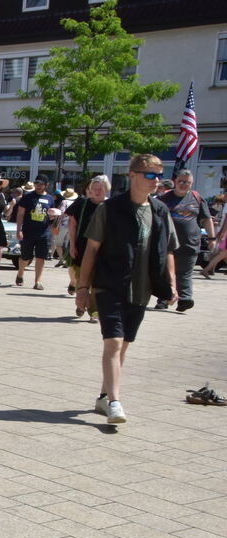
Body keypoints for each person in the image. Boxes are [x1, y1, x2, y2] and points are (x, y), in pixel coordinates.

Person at [75, 154, 178, 425]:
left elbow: (168, 251)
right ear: (132, 175)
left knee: (123, 348)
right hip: (110, 285)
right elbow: (91, 250)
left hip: (141, 289)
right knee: (114, 342)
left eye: (159, 175)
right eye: (150, 175)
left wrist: (172, 284)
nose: (156, 181)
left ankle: (102, 395)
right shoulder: (109, 210)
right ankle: (115, 402)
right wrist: (83, 287)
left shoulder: (160, 211)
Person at [158, 169, 214, 312]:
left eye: (187, 182)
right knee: (166, 272)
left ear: (191, 184)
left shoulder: (197, 198)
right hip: (168, 243)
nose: (183, 184)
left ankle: (185, 299)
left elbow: (206, 219)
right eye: (181, 181)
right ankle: (164, 299)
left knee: (185, 272)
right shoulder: (163, 198)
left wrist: (212, 238)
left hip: (190, 242)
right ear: (175, 182)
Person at [67, 175, 110, 322]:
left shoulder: (111, 206)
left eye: (101, 189)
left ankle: (94, 311)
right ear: (90, 190)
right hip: (82, 248)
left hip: (103, 251)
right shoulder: (82, 204)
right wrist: (72, 245)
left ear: (107, 190)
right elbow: (72, 224)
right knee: (81, 278)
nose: (97, 192)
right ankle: (81, 302)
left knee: (98, 282)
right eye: (95, 189)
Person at [14, 175, 57, 289]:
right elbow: (20, 214)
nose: (38, 186)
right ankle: (20, 273)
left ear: (46, 185)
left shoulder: (50, 199)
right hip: (28, 231)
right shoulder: (28, 197)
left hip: (44, 232)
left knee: (40, 257)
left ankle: (38, 281)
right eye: (36, 183)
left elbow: (51, 216)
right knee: (25, 257)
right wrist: (19, 230)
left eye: (41, 184)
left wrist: (53, 217)